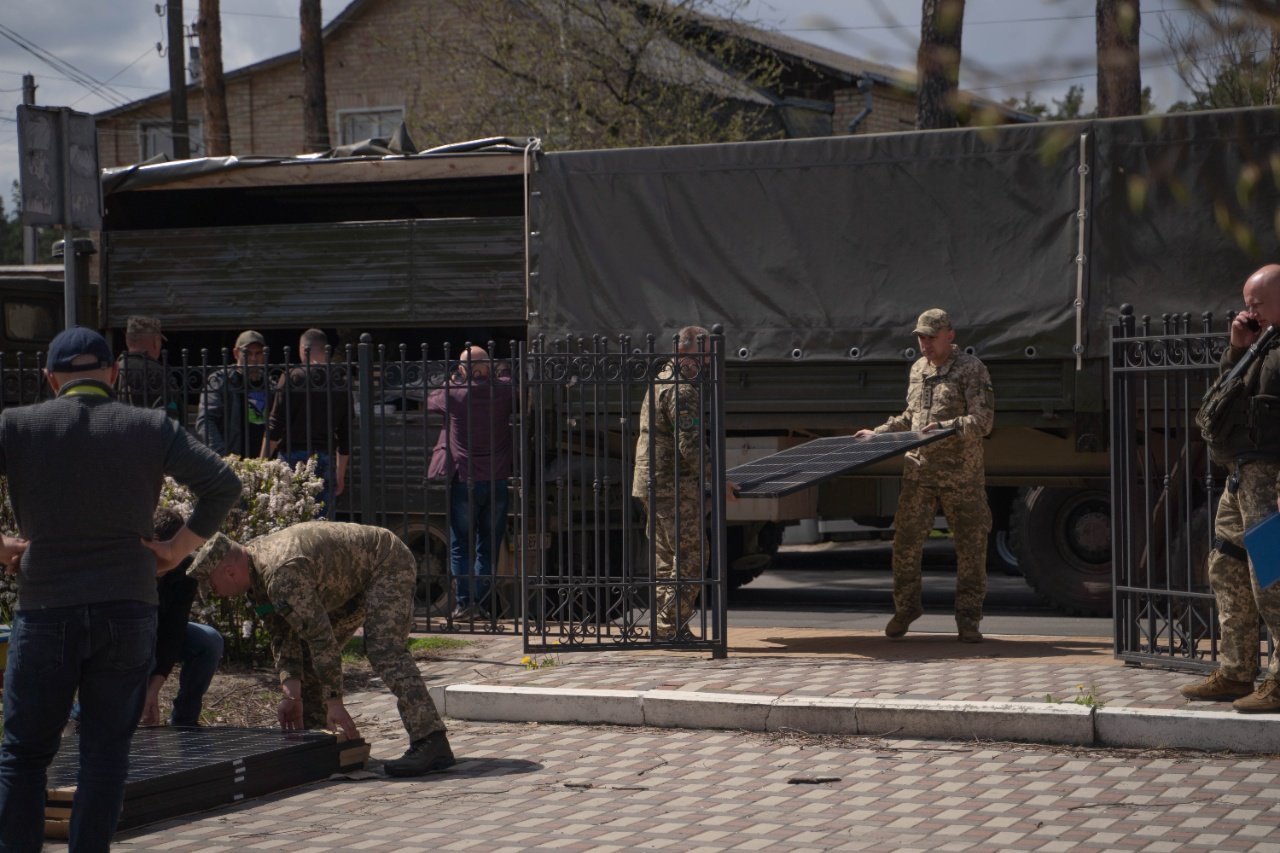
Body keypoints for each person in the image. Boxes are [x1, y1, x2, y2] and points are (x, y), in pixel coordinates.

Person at [0, 326, 239, 851]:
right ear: (112, 374)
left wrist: (1, 545)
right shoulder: (149, 426)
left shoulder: (16, 426)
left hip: (45, 607)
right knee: (105, 755)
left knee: (24, 756)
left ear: (49, 379)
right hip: (128, 607)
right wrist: (176, 549)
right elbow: (223, 484)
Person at [186, 521, 455, 776]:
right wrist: (292, 696)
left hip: (385, 562)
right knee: (307, 654)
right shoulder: (256, 574)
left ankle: (430, 740)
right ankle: (318, 741)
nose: (215, 593)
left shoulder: (281, 576)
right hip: (349, 579)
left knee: (384, 649)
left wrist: (335, 701)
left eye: (211, 585)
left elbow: (322, 639)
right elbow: (283, 633)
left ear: (229, 571)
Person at [856, 308, 994, 643]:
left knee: (971, 548)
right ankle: (906, 608)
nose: (925, 343)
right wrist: (879, 433)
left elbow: (983, 422)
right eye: (920, 337)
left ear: (950, 335)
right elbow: (911, 416)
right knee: (904, 545)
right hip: (919, 473)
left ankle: (968, 620)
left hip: (961, 476)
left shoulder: (971, 369)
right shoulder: (918, 369)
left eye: (931, 337)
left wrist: (946, 427)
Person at [1180, 264, 1280, 713]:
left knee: (1273, 579)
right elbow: (1225, 396)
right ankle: (1237, 671)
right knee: (1226, 566)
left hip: (1272, 479)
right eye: (1247, 302)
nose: (1248, 310)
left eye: (1256, 303)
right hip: (1240, 476)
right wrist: (1236, 349)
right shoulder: (1261, 344)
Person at [632, 325, 736, 641]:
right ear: (682, 351)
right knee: (691, 555)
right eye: (702, 356)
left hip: (652, 481)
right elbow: (689, 444)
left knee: (667, 557)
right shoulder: (682, 389)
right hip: (672, 486)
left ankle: (666, 626)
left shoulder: (660, 380)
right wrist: (719, 479)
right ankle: (672, 623)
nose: (706, 364)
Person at [428, 346, 514, 621]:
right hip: (497, 479)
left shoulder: (454, 394)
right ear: (486, 368)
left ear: (463, 369)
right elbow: (514, 385)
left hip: (465, 479)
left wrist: (454, 379)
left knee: (460, 545)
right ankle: (486, 603)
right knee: (488, 545)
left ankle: (465, 604)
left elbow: (430, 400)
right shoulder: (503, 391)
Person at [262, 329, 350, 517]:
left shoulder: (292, 377)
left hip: (291, 457)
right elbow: (346, 434)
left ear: (303, 349)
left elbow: (275, 426)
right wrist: (340, 473)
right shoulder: (340, 382)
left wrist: (262, 464)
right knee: (321, 526)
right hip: (324, 458)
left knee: (289, 522)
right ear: (326, 350)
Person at [195, 330, 271, 457]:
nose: (253, 358)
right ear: (236, 353)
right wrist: (223, 456)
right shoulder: (220, 380)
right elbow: (206, 421)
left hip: (262, 461)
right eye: (247, 353)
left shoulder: (267, 382)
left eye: (258, 353)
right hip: (232, 457)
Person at [115, 315, 180, 419]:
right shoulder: (161, 374)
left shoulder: (112, 371)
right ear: (156, 341)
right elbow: (174, 418)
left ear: (127, 340)